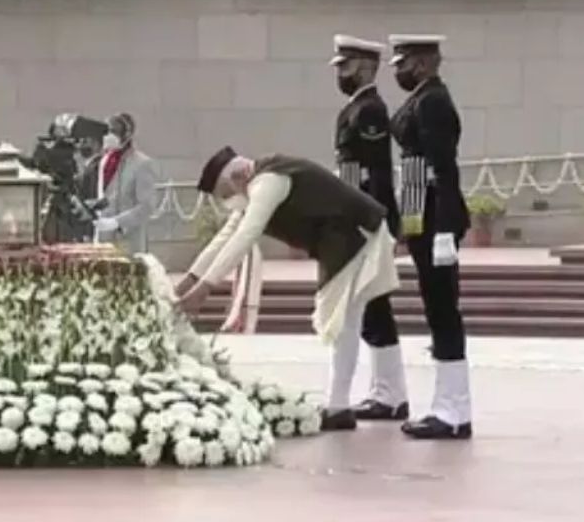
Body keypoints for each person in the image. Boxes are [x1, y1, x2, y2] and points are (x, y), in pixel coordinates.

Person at [175, 147, 399, 432]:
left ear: (237, 177)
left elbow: (247, 234)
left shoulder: (267, 182)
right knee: (364, 320)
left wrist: (205, 288)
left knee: (342, 321)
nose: (230, 202)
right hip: (344, 240)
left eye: (226, 193)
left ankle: (339, 407)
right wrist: (189, 281)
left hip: (354, 237)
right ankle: (392, 396)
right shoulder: (254, 187)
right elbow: (224, 239)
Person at [387, 34, 473, 440]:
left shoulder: (433, 101)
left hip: (436, 212)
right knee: (435, 309)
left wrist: (444, 228)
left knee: (443, 310)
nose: (399, 72)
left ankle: (453, 410)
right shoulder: (424, 97)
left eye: (402, 64)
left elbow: (444, 168)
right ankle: (445, 405)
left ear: (421, 63)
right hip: (423, 212)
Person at [330, 34, 410, 422]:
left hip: (367, 220)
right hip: (357, 217)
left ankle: (390, 393)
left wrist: (372, 221)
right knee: (375, 307)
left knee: (369, 306)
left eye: (345, 66)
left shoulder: (371, 111)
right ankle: (389, 393)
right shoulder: (356, 108)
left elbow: (374, 175)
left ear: (365, 67)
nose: (340, 74)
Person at [91, 113, 159, 255]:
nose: (108, 136)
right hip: (103, 240)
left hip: (128, 241)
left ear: (127, 134)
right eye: (107, 131)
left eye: (113, 131)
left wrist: (117, 222)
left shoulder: (142, 164)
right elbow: (107, 196)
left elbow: (147, 206)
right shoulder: (105, 161)